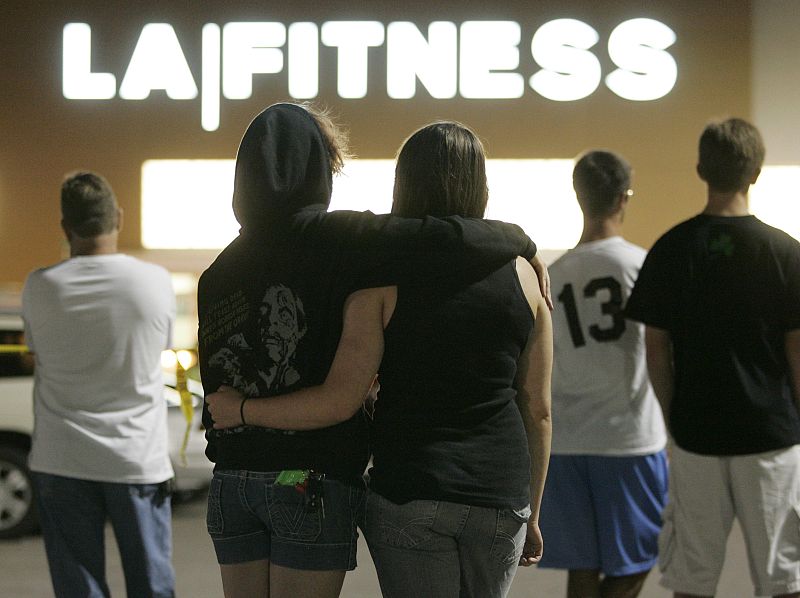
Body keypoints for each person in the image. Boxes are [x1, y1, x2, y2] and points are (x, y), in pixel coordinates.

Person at [197, 105, 550, 598]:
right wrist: (522, 242)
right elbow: (442, 231)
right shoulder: (338, 238)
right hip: (305, 478)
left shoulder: (217, 274)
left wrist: (240, 412)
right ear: (319, 171)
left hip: (233, 481)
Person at [626, 118, 800, 598]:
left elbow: (655, 346)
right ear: (757, 172)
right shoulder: (786, 253)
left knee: (693, 578)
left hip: (696, 431)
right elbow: (796, 350)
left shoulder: (671, 248)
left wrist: (671, 414)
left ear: (701, 169)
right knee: (782, 578)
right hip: (771, 435)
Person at [22, 172, 177, 598]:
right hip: (136, 458)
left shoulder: (40, 286)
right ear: (119, 218)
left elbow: (38, 353)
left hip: (62, 457)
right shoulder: (155, 282)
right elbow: (159, 350)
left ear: (65, 227)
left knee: (78, 587)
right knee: (152, 585)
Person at [537, 150, 668, 598]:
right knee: (641, 556)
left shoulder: (552, 275)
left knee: (582, 566)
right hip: (627, 439)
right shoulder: (642, 266)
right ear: (624, 198)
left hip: (568, 440)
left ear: (579, 197)